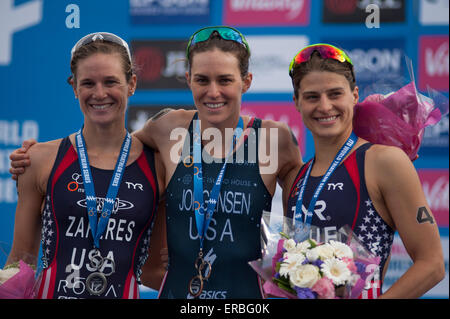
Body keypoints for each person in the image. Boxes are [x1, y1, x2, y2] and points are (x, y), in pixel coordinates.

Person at [9, 26, 302, 299]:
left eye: (224, 79)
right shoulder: (168, 129)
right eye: (202, 79)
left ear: (246, 81)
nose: (213, 91)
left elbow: (299, 237)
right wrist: (36, 157)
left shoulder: (277, 140)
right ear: (189, 79)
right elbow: (112, 147)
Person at [5, 32, 164, 299]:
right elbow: (21, 259)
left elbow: (155, 269)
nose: (99, 93)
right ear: (74, 88)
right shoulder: (39, 159)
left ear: (132, 84)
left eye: (111, 82)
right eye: (88, 83)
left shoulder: (157, 165)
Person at [284, 43, 445, 298]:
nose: (325, 107)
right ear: (297, 102)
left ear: (354, 95)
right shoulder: (297, 179)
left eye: (335, 94)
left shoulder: (385, 161)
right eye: (312, 96)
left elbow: (432, 265)